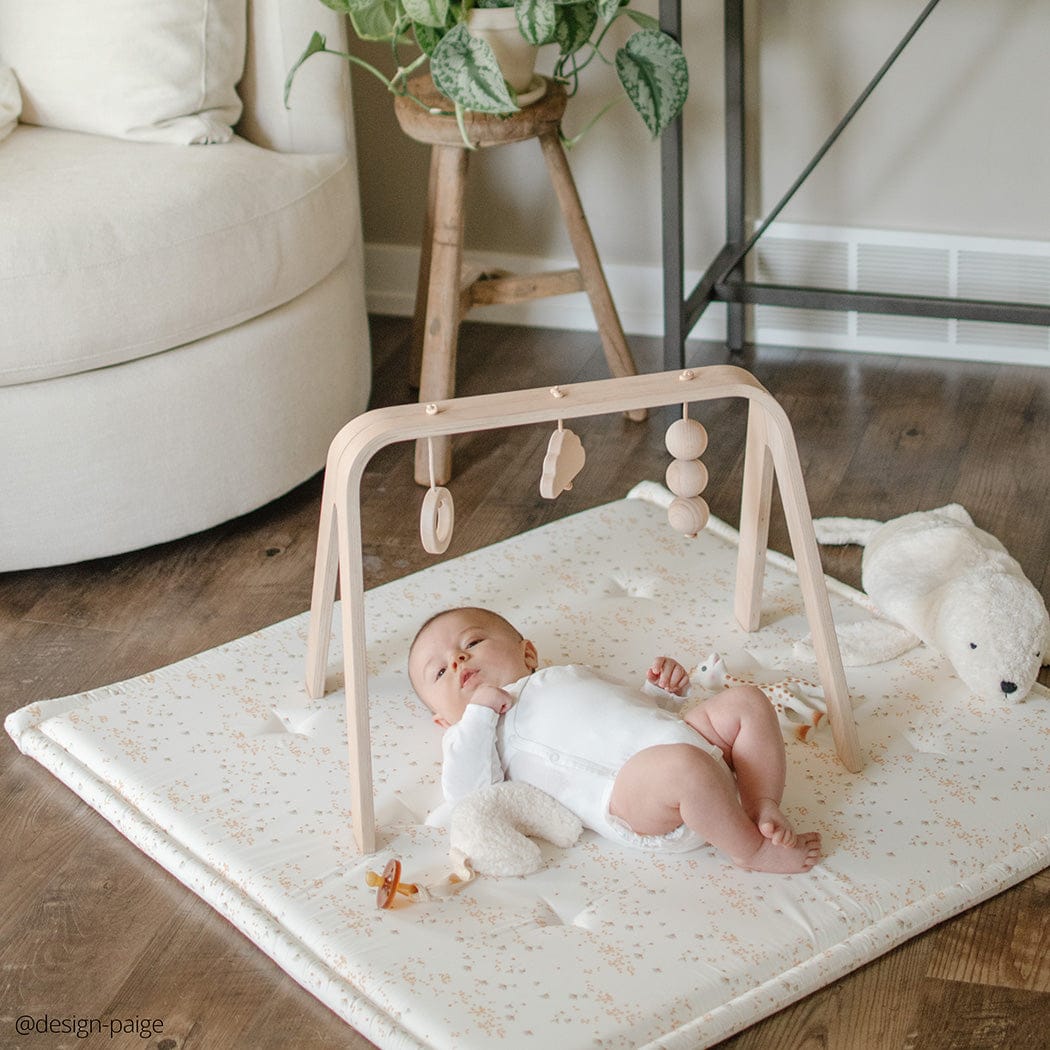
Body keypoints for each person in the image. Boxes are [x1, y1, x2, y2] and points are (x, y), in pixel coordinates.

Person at [408, 606, 822, 874]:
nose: (458, 660)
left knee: (748, 703)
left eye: (472, 642)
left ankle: (761, 803)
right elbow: (469, 796)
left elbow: (629, 710)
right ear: (443, 720)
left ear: (528, 655)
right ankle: (750, 850)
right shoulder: (471, 736)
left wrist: (661, 692)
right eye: (440, 672)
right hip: (630, 796)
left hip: (678, 739)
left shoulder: (568, 674)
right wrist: (478, 714)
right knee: (686, 769)